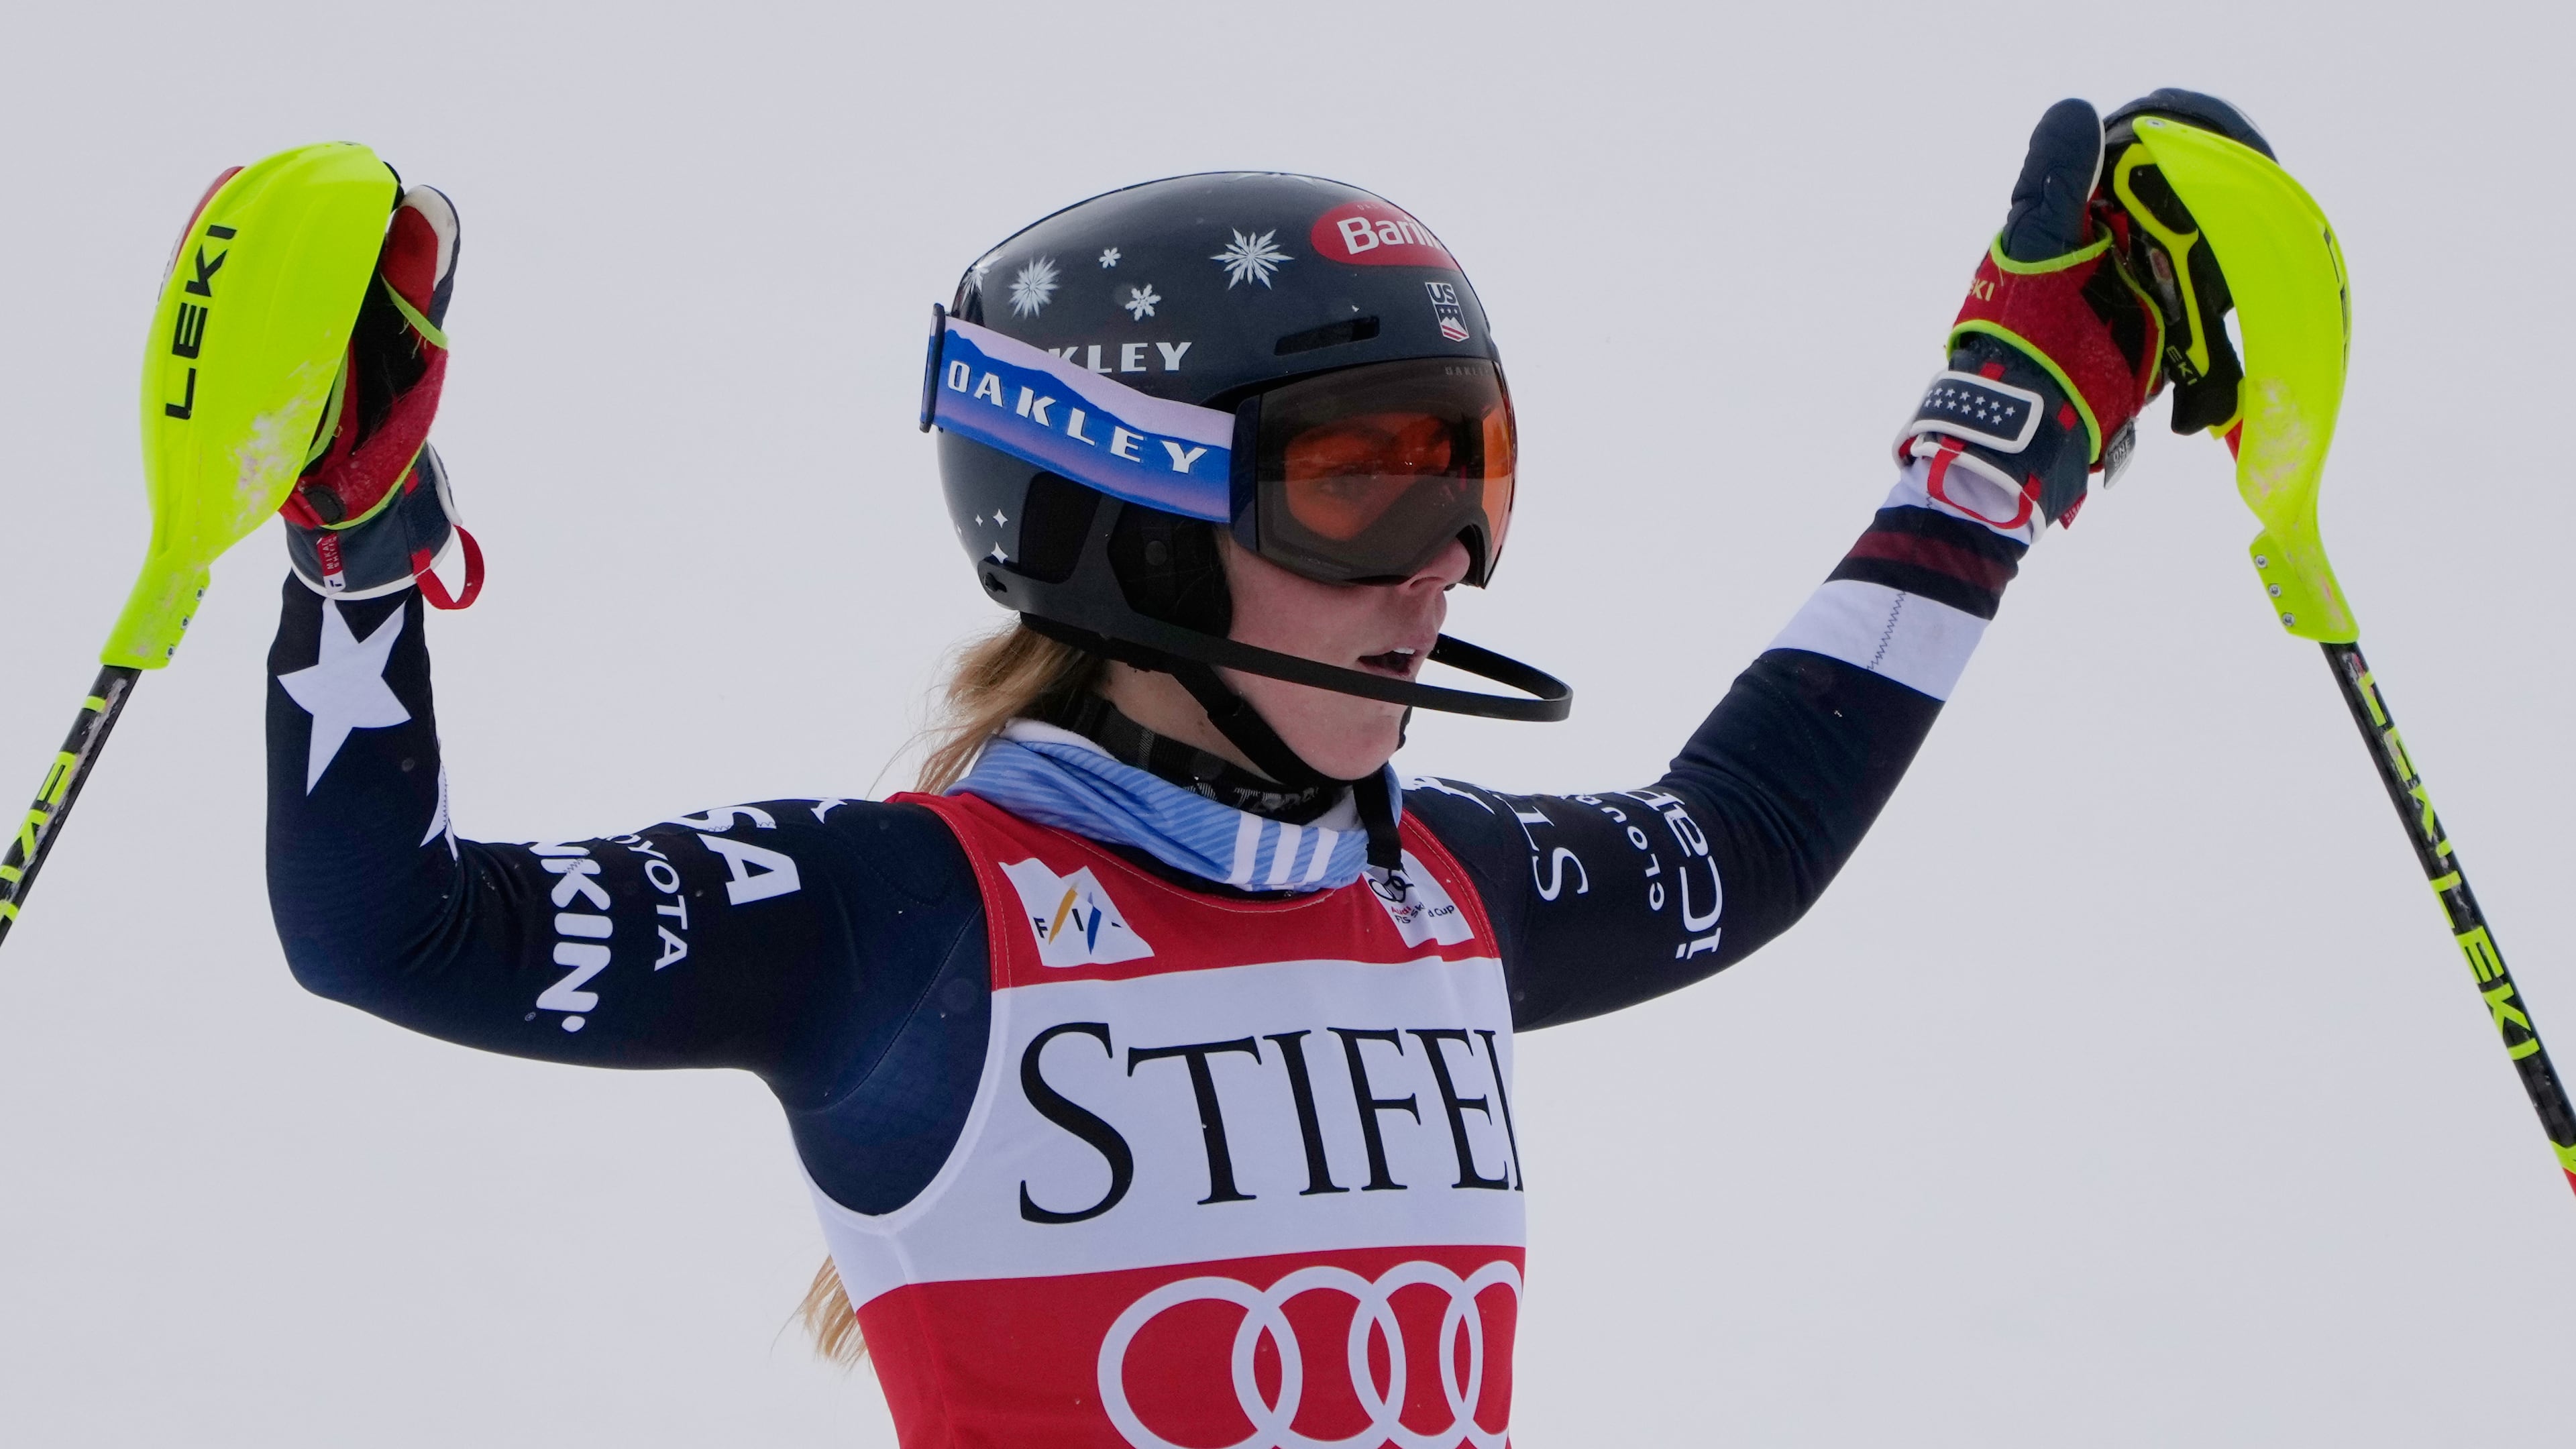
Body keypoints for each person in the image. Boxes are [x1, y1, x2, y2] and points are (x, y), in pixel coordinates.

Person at [265, 89, 2269, 1448]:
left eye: (1472, 473)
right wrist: (357, 563)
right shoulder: (900, 921)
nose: (1445, 568)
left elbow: (1736, 843)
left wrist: (1990, 448)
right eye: (1356, 490)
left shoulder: (1440, 895)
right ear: (1115, 526)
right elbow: (394, 927)